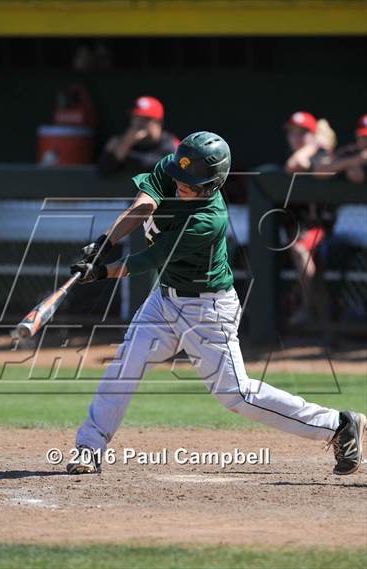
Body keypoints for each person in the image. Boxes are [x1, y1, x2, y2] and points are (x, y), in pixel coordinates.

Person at [67, 131, 366, 476]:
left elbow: (148, 260)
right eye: (180, 177)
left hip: (206, 310)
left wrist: (101, 271)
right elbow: (145, 202)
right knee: (124, 366)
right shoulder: (179, 167)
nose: (181, 185)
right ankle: (89, 447)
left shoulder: (207, 219)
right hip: (164, 299)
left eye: (190, 183)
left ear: (211, 183)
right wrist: (105, 241)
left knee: (236, 395)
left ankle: (338, 425)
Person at [283, 112, 337, 327]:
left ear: (313, 135)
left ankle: (309, 307)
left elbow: (296, 165)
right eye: (292, 133)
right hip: (297, 226)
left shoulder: (321, 154)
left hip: (325, 226)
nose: (296, 138)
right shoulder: (297, 153)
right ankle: (305, 304)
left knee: (299, 249)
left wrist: (314, 145)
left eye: (302, 133)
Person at [97, 96, 179, 176]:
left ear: (158, 122)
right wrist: (126, 143)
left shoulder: (171, 145)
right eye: (135, 118)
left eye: (146, 119)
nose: (138, 124)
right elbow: (104, 171)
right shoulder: (118, 142)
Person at [315, 114, 367, 184]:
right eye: (363, 137)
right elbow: (319, 172)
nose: (365, 140)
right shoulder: (350, 151)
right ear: (357, 137)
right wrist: (356, 160)